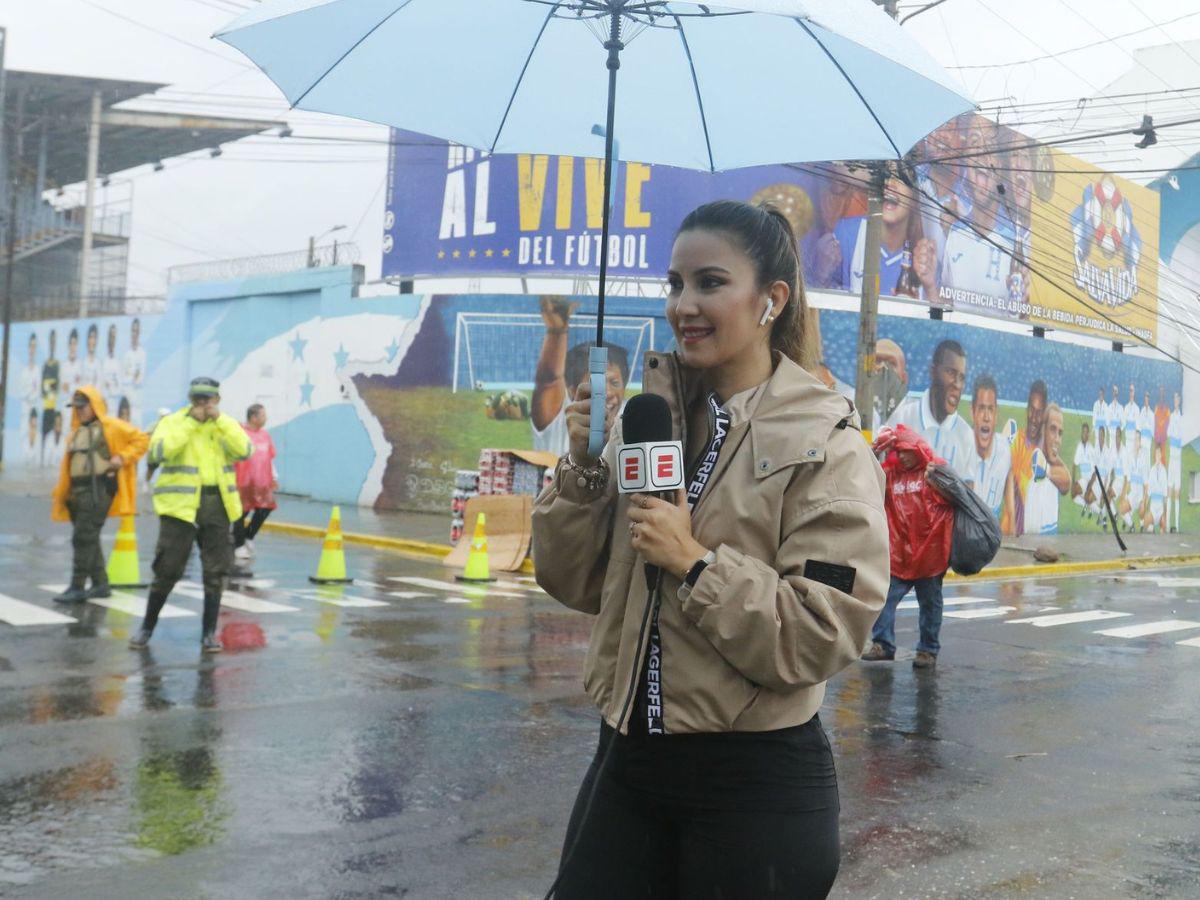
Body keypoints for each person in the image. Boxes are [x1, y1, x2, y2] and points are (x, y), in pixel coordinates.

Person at [532, 200, 888, 898]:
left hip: (753, 786)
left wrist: (695, 563)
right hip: (626, 759)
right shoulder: (649, 420)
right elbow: (575, 581)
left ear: (771, 301)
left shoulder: (826, 440)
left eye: (710, 283)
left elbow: (824, 630)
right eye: (675, 283)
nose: (683, 304)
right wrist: (581, 467)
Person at [129, 377, 252, 653]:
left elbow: (245, 450)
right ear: (190, 398)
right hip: (180, 507)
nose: (202, 404)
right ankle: (146, 627)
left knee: (214, 571)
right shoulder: (174, 421)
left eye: (207, 399)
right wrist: (189, 423)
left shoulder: (225, 424)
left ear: (216, 400)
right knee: (168, 568)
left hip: (216, 505)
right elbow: (159, 452)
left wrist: (219, 421)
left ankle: (209, 633)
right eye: (197, 398)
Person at [862, 425, 954, 669]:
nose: (901, 455)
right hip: (899, 555)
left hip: (930, 556)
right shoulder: (890, 475)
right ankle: (883, 645)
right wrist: (874, 450)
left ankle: (927, 650)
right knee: (884, 599)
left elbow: (956, 495)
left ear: (917, 450)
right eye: (897, 451)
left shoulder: (933, 473)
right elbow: (866, 478)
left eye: (905, 450)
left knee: (930, 606)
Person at [49, 387, 149, 603]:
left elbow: (141, 440)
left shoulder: (111, 426)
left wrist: (122, 457)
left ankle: (77, 586)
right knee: (88, 538)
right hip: (77, 492)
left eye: (83, 407)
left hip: (99, 490)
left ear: (94, 405)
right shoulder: (77, 431)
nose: (80, 411)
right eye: (76, 408)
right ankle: (100, 583)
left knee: (83, 537)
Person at [531, 296, 629, 457]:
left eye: (615, 382)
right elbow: (549, 381)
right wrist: (557, 332)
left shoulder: (628, 421)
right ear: (571, 391)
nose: (608, 392)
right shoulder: (558, 418)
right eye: (595, 382)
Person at [832, 168, 938, 300]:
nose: (890, 184)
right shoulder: (847, 233)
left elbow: (941, 315)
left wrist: (930, 287)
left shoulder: (926, 255)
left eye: (901, 178)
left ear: (915, 195)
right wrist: (821, 272)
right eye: (885, 175)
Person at [885, 339, 974, 483]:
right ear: (933, 372)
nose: (957, 384)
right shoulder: (902, 418)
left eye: (962, 377)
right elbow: (881, 471)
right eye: (951, 372)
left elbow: (968, 494)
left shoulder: (965, 435)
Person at [233, 403, 278, 561]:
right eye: (263, 415)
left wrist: (273, 476)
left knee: (265, 509)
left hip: (262, 483)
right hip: (242, 482)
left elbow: (269, 457)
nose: (266, 418)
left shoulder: (265, 435)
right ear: (253, 417)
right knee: (240, 513)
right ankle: (238, 545)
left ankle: (248, 536)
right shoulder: (240, 433)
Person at [969, 373, 1010, 520]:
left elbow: (1010, 512)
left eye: (991, 409)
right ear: (972, 412)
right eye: (981, 408)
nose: (986, 417)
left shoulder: (1004, 450)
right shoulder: (961, 449)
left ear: (996, 413)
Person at [1024, 403, 1066, 535]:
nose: (1057, 439)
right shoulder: (1031, 458)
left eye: (1060, 433)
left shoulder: (1053, 466)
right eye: (1053, 430)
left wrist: (1047, 468)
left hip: (1050, 545)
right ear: (1043, 430)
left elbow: (1067, 483)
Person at [40, 330, 61, 467]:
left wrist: (49, 386)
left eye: (55, 341)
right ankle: (42, 459)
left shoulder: (57, 364)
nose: (52, 344)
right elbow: (43, 387)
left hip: (54, 405)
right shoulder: (46, 364)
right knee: (44, 434)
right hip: (46, 405)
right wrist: (49, 387)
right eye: (51, 340)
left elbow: (56, 384)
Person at [123, 317, 147, 425]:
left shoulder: (142, 354)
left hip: (137, 404)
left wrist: (132, 378)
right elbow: (124, 377)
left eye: (137, 331)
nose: (134, 334)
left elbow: (138, 380)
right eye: (133, 330)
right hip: (126, 405)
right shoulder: (126, 354)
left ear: (140, 333)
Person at [1072, 422, 1098, 518]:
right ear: (1081, 433)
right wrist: (1073, 482)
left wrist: (1090, 486)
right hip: (1083, 480)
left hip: (1091, 481)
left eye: (1086, 433)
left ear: (1088, 435)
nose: (1084, 434)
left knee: (1088, 497)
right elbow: (1074, 465)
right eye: (1083, 432)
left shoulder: (1091, 449)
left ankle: (1098, 512)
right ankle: (1085, 505)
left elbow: (1095, 471)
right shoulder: (1079, 447)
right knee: (1073, 494)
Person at [1168, 392, 1184, 532]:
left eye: (1178, 399)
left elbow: (1181, 438)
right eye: (1174, 398)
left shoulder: (1182, 418)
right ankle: (1167, 526)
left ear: (1180, 401)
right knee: (1169, 490)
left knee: (1177, 493)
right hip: (1172, 458)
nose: (1176, 401)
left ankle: (1177, 526)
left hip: (1178, 459)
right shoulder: (1172, 416)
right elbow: (1170, 434)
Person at [1147, 444, 1169, 533]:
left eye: (1159, 453)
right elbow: (1149, 491)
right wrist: (1148, 509)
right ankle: (1151, 525)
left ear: (1161, 455)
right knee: (1149, 528)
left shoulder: (1164, 471)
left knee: (1162, 530)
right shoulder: (1152, 470)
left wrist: (1164, 513)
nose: (1157, 455)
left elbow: (1165, 493)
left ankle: (1161, 525)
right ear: (1154, 455)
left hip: (1160, 507)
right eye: (1156, 454)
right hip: (1152, 506)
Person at [60, 328, 80, 408]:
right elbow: (64, 388)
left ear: (77, 345)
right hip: (66, 405)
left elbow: (81, 388)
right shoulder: (64, 366)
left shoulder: (80, 365)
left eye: (74, 344)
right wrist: (74, 387)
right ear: (68, 345)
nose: (72, 347)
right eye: (71, 344)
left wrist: (70, 387)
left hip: (77, 406)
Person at [80, 323, 102, 389]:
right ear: (87, 340)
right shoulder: (82, 363)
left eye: (94, 338)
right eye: (90, 337)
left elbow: (99, 385)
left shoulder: (98, 364)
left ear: (96, 341)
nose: (92, 341)